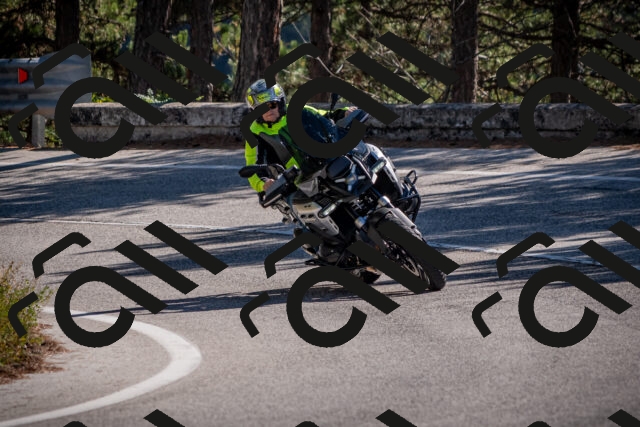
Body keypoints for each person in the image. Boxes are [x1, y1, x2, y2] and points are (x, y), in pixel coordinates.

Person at [243, 79, 355, 194]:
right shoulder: (254, 132)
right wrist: (264, 183)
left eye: (272, 104)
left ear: (280, 103)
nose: (268, 110)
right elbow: (253, 164)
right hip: (296, 184)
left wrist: (344, 113)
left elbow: (325, 116)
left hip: (324, 164)